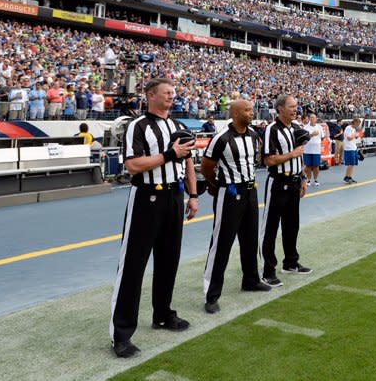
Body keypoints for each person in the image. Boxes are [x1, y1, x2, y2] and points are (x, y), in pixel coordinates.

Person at [109, 77, 199, 359]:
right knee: (133, 265)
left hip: (174, 197)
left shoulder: (178, 126)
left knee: (169, 259)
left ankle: (163, 314)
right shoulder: (137, 126)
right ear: (151, 95)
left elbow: (187, 163)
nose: (172, 96)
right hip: (147, 197)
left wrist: (193, 195)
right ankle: (121, 334)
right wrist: (168, 154)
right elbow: (133, 165)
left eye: (174, 92)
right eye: (167, 92)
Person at [200, 99, 271, 315]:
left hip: (251, 191)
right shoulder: (221, 138)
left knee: (250, 240)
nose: (252, 113)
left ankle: (250, 280)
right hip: (229, 193)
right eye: (248, 110)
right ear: (236, 113)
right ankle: (211, 294)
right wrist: (217, 185)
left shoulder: (253, 136)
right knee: (222, 243)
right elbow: (206, 167)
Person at [261, 95, 311, 288]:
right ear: (280, 109)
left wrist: (304, 178)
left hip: (294, 182)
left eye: (296, 106)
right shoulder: (271, 130)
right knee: (270, 229)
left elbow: (299, 158)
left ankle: (291, 262)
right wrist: (291, 154)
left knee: (292, 225)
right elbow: (269, 160)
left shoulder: (295, 128)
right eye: (291, 106)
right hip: (278, 183)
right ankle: (268, 270)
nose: (295, 110)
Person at [302, 112, 323, 186]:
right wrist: (311, 135)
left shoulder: (319, 127)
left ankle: (316, 179)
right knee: (308, 166)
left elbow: (322, 137)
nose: (312, 119)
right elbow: (304, 138)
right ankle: (308, 180)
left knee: (316, 166)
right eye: (310, 117)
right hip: (307, 149)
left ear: (316, 119)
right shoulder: (305, 127)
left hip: (316, 150)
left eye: (313, 118)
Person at [342, 118, 362, 184]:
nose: (358, 125)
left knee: (352, 164)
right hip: (349, 148)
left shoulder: (353, 129)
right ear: (355, 122)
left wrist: (356, 136)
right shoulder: (348, 128)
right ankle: (346, 177)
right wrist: (354, 135)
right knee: (350, 163)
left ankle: (349, 177)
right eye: (358, 123)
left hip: (353, 147)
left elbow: (353, 137)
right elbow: (349, 138)